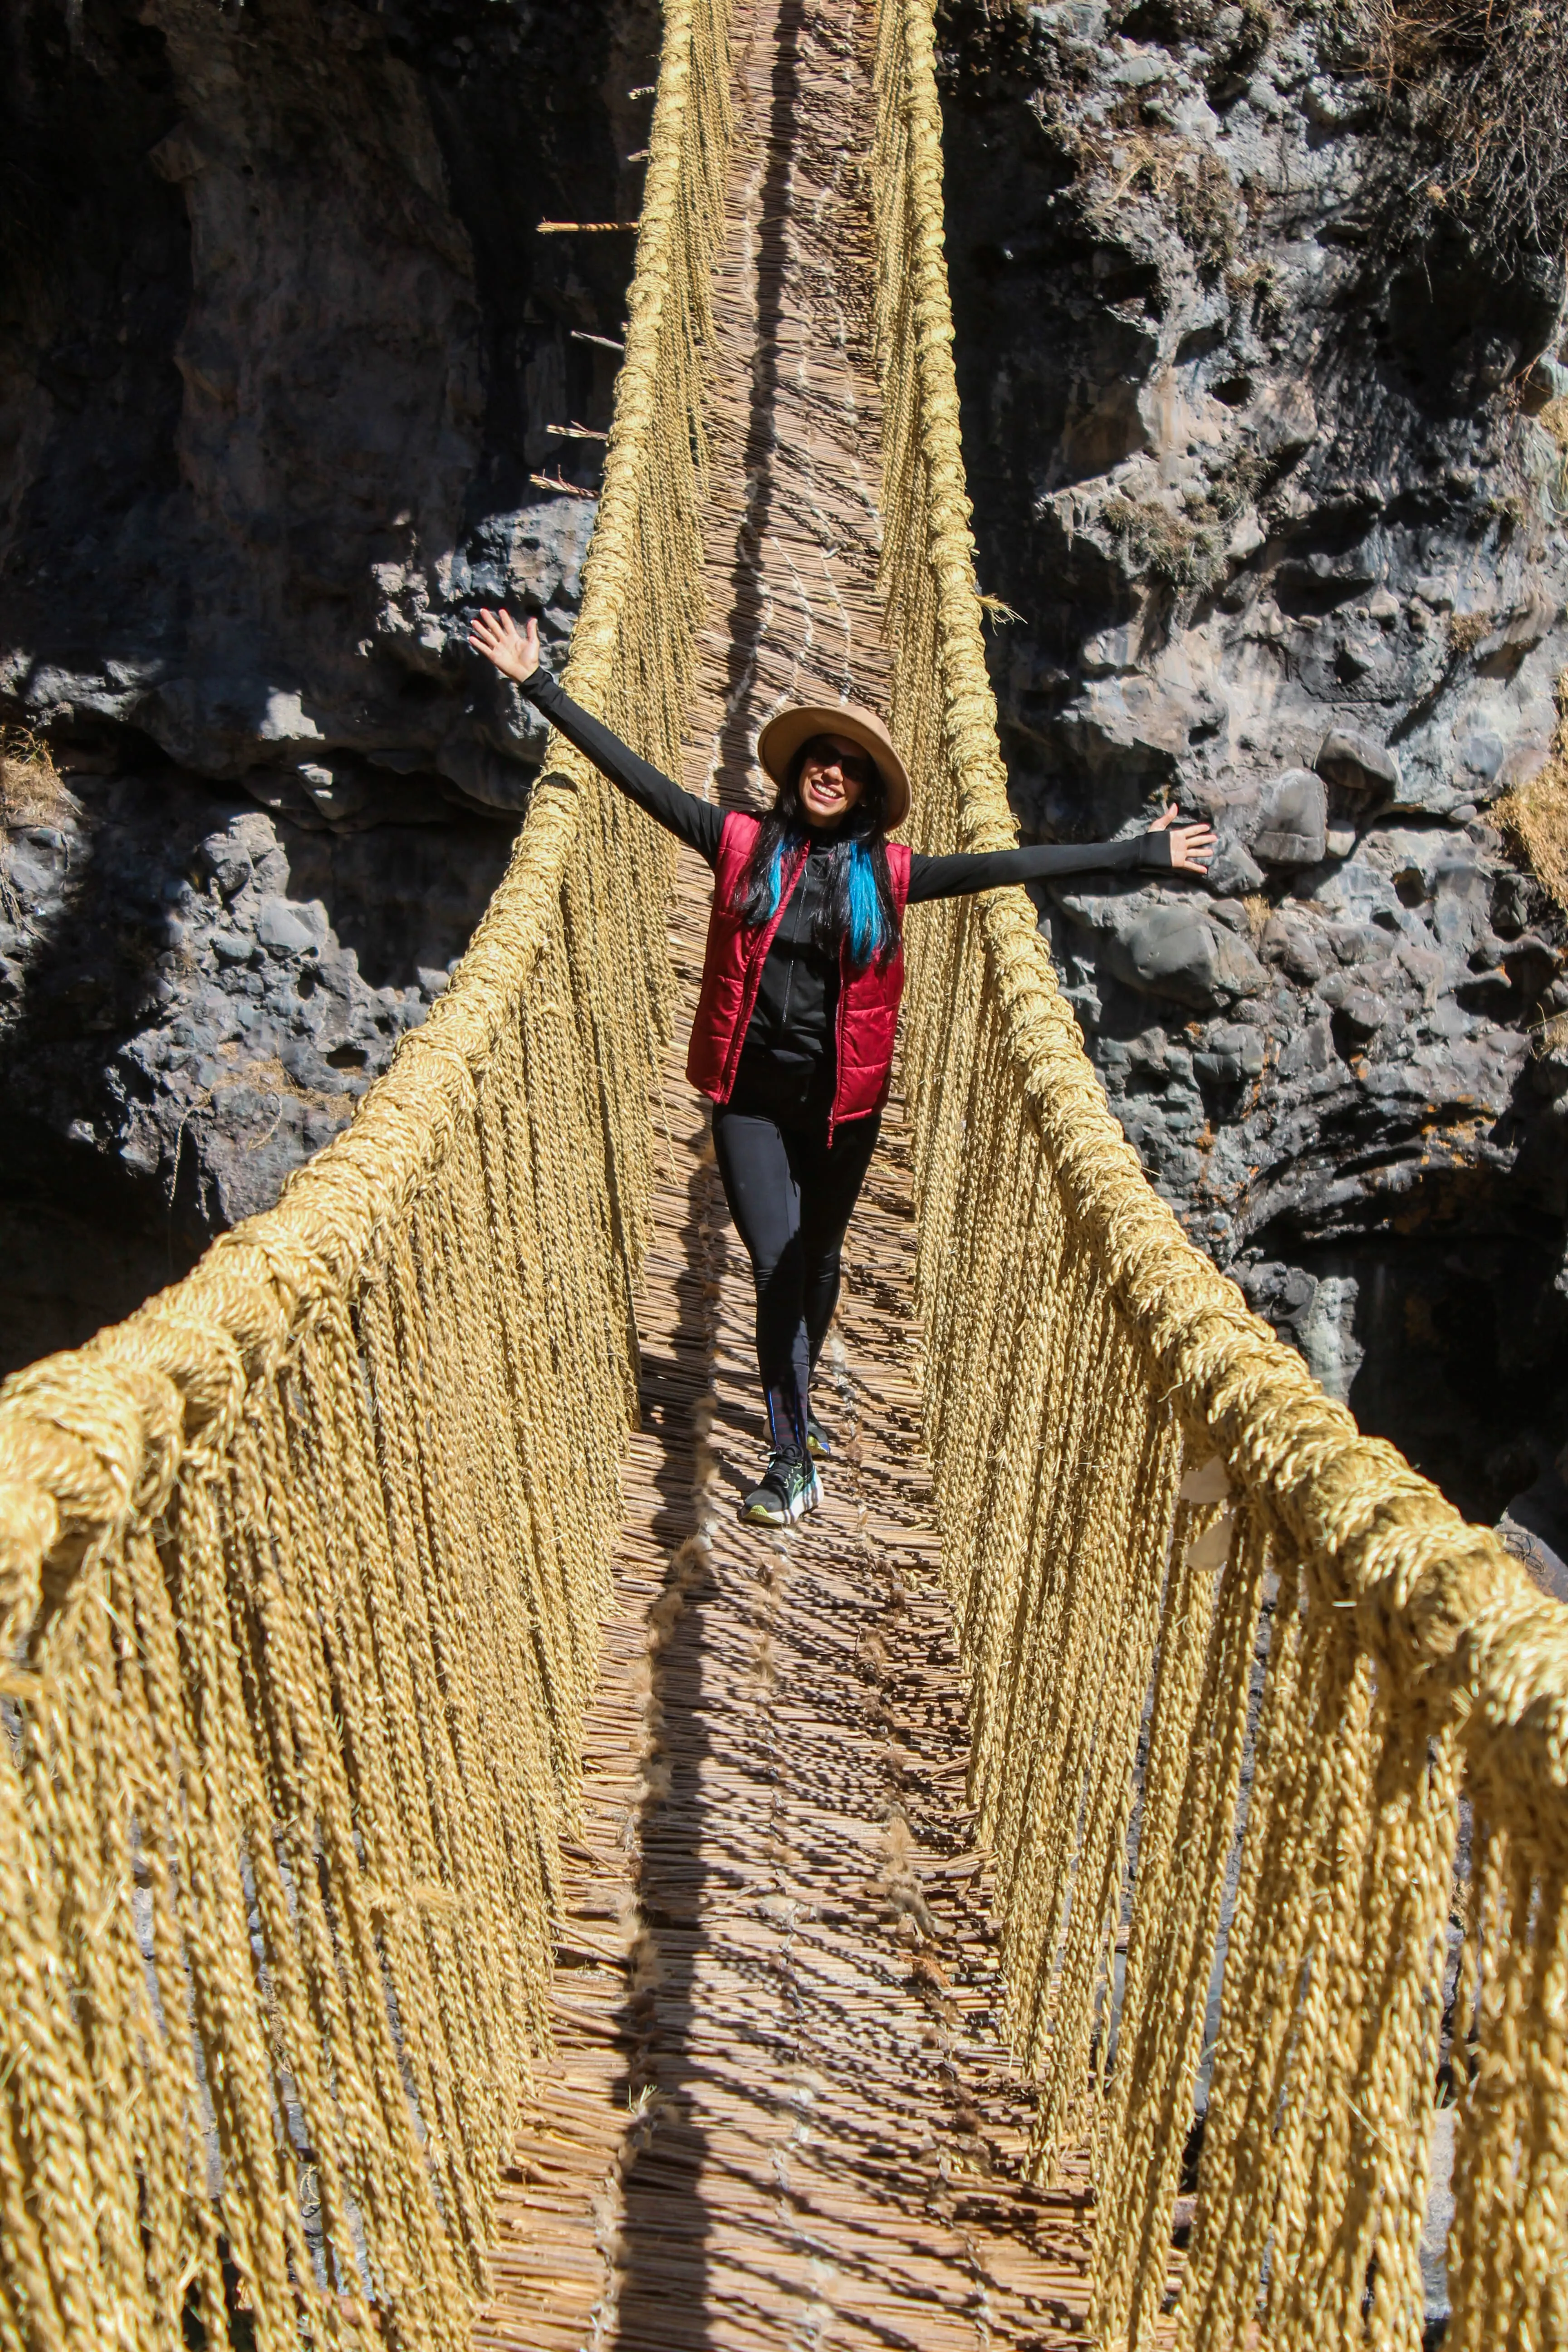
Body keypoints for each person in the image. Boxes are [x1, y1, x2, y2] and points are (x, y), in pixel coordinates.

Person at [469, 608, 1216, 1529]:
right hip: (747, 1098)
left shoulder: (892, 876)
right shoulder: (738, 842)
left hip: (841, 1112)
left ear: (865, 794)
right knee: (778, 1263)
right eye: (819, 758)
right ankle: (789, 1461)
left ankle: (799, 1404)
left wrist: (1140, 850)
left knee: (817, 1260)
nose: (830, 771)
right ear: (795, 773)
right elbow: (634, 777)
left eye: (849, 766)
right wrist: (536, 682)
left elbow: (1012, 862)